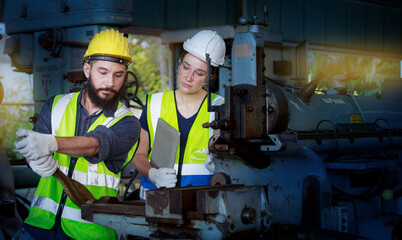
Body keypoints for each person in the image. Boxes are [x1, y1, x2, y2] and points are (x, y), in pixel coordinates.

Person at [13, 28, 141, 240]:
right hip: (39, 224)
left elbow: (96, 145)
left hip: (89, 232)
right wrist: (32, 159)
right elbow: (33, 151)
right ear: (87, 69)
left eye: (118, 75)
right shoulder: (56, 105)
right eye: (103, 72)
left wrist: (51, 143)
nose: (110, 82)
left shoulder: (127, 122)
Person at [132, 30, 226, 200]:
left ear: (210, 77)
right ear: (179, 64)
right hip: (154, 202)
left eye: (199, 73)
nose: (188, 77)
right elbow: (138, 155)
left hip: (201, 203)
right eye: (186, 67)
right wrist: (152, 174)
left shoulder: (221, 107)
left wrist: (221, 163)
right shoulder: (154, 104)